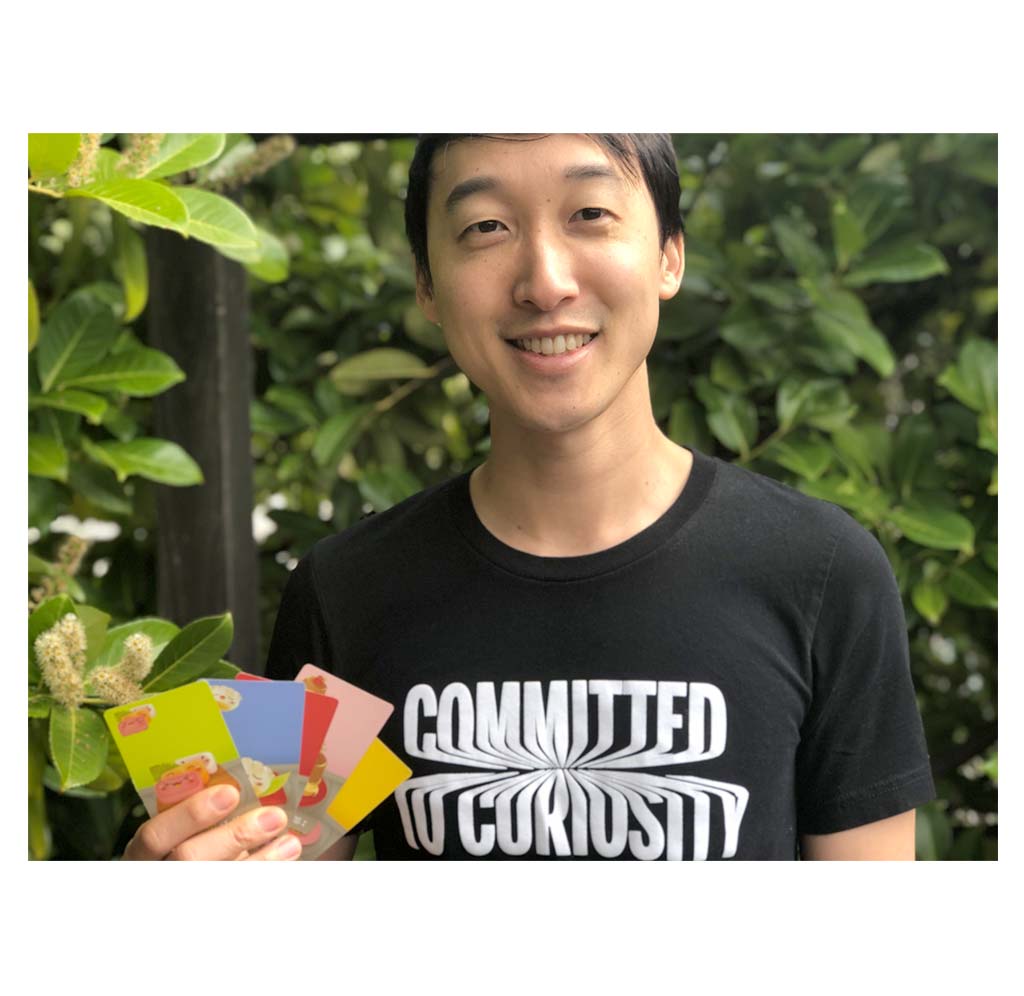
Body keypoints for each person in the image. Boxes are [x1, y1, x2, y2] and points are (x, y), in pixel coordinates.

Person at [123, 133, 935, 861]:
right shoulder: (346, 590)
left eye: (589, 213)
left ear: (669, 257)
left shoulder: (821, 571)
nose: (545, 281)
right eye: (486, 228)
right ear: (428, 286)